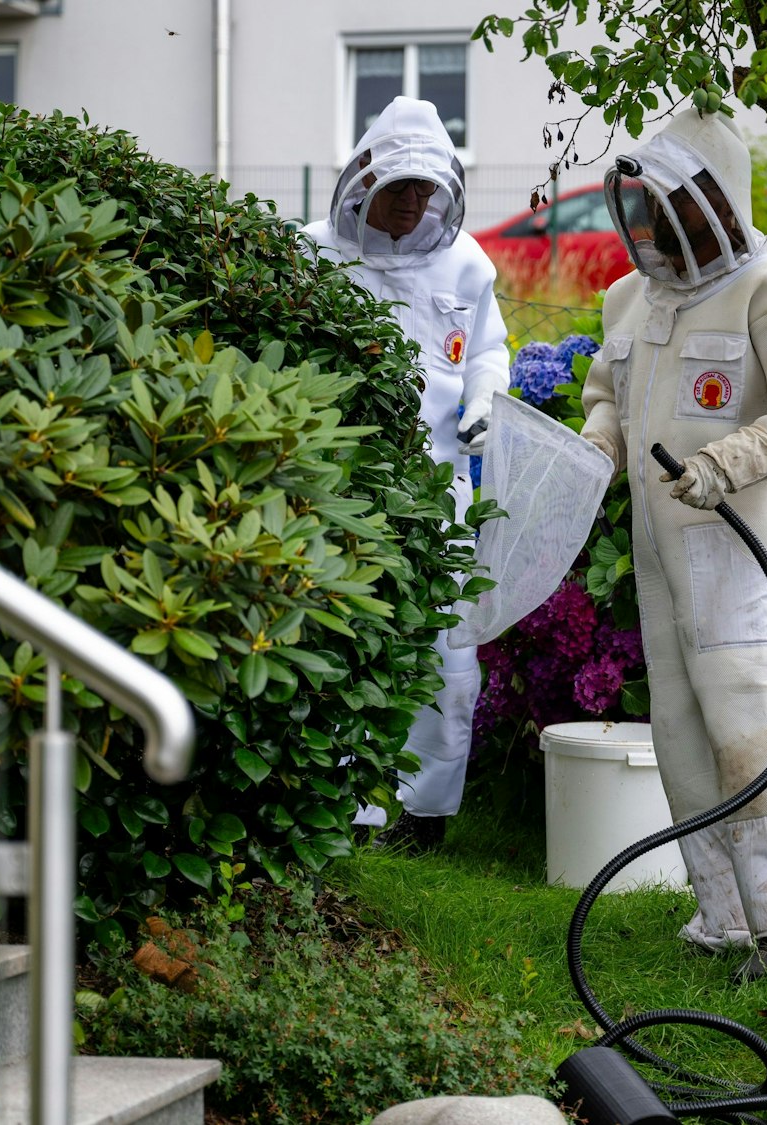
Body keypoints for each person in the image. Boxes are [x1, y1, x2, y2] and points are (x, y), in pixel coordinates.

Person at [579, 110, 767, 983]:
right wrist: (598, 444)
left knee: (749, 722)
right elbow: (607, 395)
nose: (657, 225)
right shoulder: (630, 297)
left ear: (719, 203)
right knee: (683, 729)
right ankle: (726, 918)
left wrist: (729, 461)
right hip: (660, 548)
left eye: (674, 206)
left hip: (740, 541)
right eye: (648, 204)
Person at [301, 97, 509, 851]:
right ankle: (348, 813)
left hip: (442, 493)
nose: (414, 206)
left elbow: (488, 347)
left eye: (425, 194)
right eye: (400, 192)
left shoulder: (465, 263)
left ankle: (425, 816)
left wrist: (487, 395)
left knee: (447, 654)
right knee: (348, 644)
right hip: (344, 489)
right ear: (363, 184)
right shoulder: (312, 254)